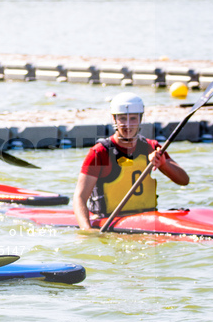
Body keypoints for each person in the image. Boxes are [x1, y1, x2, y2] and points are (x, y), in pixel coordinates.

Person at [73, 92, 190, 230]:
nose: (128, 125)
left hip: (146, 220)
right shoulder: (99, 153)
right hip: (109, 221)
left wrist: (164, 164)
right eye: (122, 118)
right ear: (114, 119)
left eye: (133, 119)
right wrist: (87, 231)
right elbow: (79, 198)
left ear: (140, 119)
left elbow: (184, 180)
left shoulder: (151, 147)